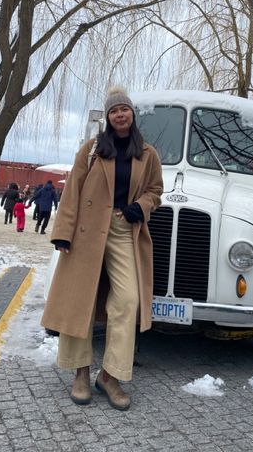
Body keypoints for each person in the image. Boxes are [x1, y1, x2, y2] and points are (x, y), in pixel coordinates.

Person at [41, 86, 163, 411]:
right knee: (80, 300)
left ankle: (110, 375)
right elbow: (73, 191)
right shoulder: (92, 149)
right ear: (107, 117)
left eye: (124, 109)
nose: (120, 114)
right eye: (113, 110)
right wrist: (63, 233)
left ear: (132, 113)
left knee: (127, 300)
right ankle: (80, 372)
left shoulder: (147, 153)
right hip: (86, 232)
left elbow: (155, 190)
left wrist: (141, 206)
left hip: (125, 231)